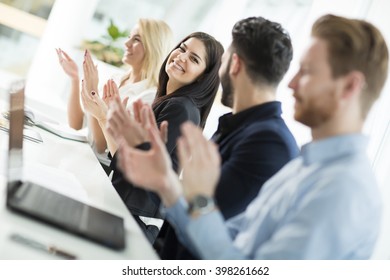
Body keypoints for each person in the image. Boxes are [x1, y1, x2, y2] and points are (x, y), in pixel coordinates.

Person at [117, 14, 388, 259]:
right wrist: (166, 182)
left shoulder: (342, 190)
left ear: (350, 87)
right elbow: (229, 245)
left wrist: (191, 193)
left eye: (306, 72)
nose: (291, 85)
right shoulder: (305, 167)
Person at [153, 16, 300, 259]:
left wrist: (163, 179)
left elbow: (207, 221)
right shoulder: (242, 127)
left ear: (235, 64)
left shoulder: (268, 143)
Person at [85, 31, 224, 242]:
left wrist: (105, 118)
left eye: (194, 59)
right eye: (182, 48)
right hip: (126, 210)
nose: (181, 57)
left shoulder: (181, 108)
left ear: (203, 76)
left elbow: (136, 165)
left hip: (134, 221)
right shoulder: (172, 101)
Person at [56, 18, 173, 154]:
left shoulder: (148, 97)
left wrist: (93, 91)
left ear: (153, 47)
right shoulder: (116, 80)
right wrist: (75, 78)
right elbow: (77, 126)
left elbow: (100, 146)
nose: (126, 43)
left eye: (136, 39)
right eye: (129, 37)